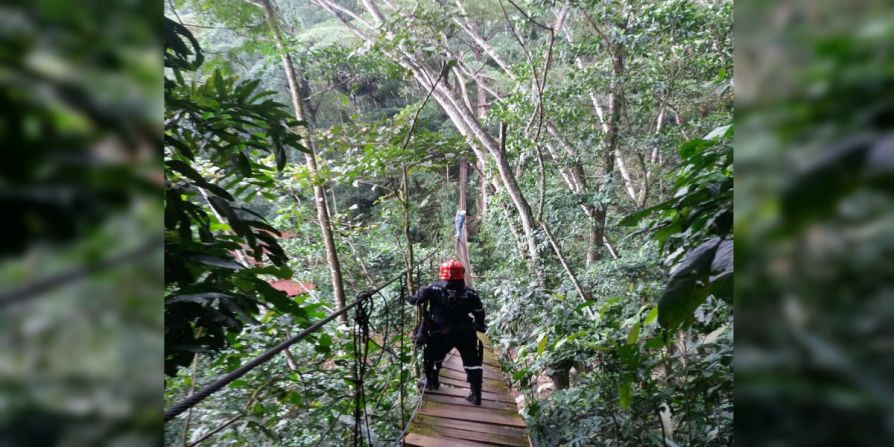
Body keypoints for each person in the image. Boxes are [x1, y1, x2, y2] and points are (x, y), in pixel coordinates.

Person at [408, 259, 486, 405]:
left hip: (440, 334)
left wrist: (418, 291)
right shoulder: (471, 294)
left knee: (432, 356)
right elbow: (479, 313)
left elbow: (413, 300)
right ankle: (476, 394)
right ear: (462, 275)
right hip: (466, 334)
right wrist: (480, 326)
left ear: (442, 275)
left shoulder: (432, 289)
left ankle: (432, 382)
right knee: (472, 362)